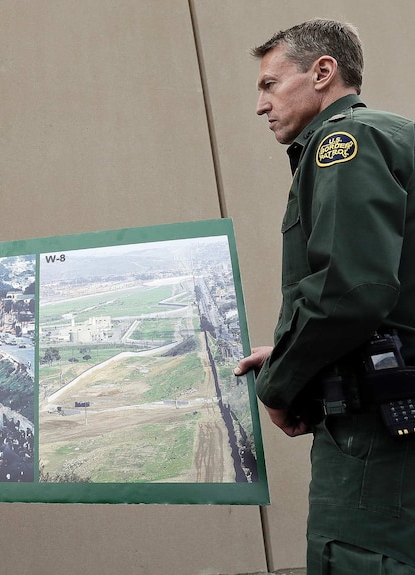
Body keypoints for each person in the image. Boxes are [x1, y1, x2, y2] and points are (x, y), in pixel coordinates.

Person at [234, 19, 415, 573]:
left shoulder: (345, 143)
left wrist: (281, 382)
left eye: (269, 84)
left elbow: (350, 291)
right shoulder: (397, 134)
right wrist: (292, 349)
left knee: (359, 559)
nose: (261, 104)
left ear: (322, 72)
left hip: (377, 444)